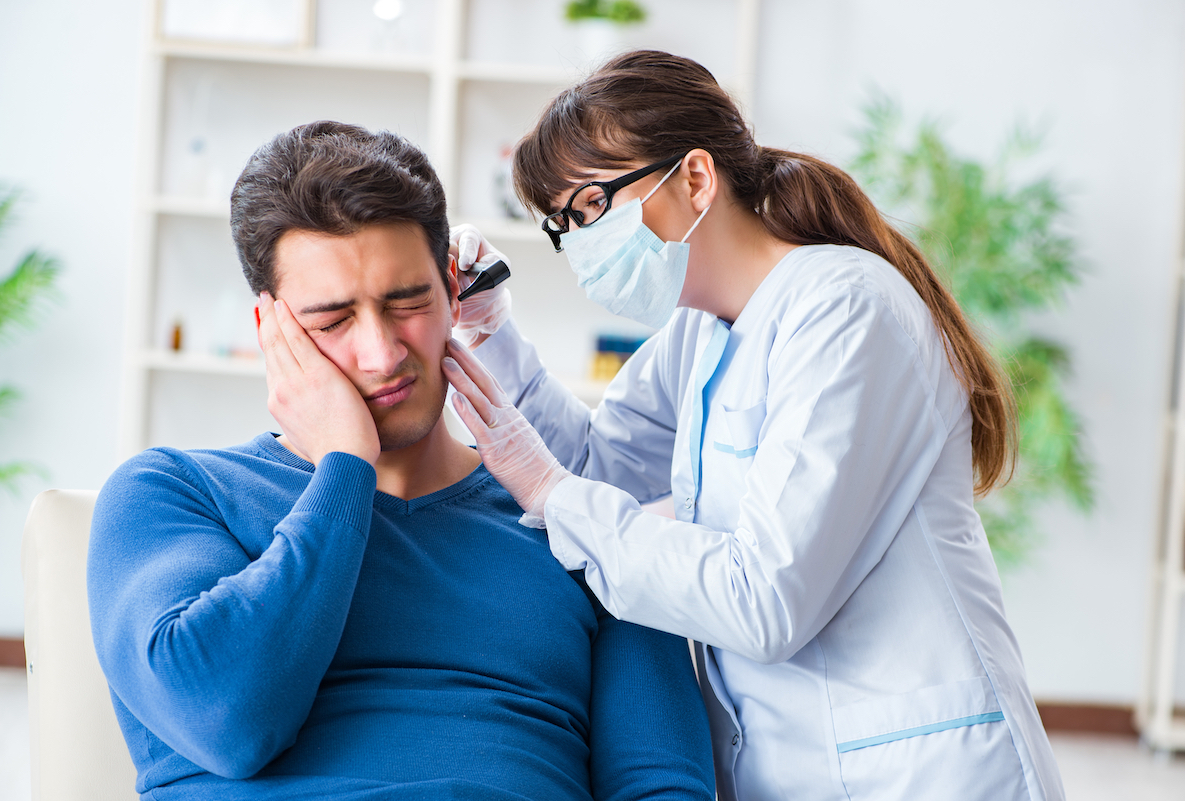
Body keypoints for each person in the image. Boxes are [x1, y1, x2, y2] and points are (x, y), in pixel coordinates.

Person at [441, 50, 1065, 801]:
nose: (579, 243)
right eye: (562, 224)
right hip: (788, 767)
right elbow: (594, 474)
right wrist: (489, 336)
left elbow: (766, 600)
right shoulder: (699, 331)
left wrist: (550, 490)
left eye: (592, 207)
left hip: (919, 771)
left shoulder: (844, 308)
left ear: (696, 178)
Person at [86, 120, 715, 801]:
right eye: (331, 322)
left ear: (452, 290)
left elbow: (662, 785)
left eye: (407, 302)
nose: (382, 354)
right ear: (271, 331)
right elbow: (227, 721)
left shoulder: (581, 520)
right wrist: (345, 470)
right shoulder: (172, 492)